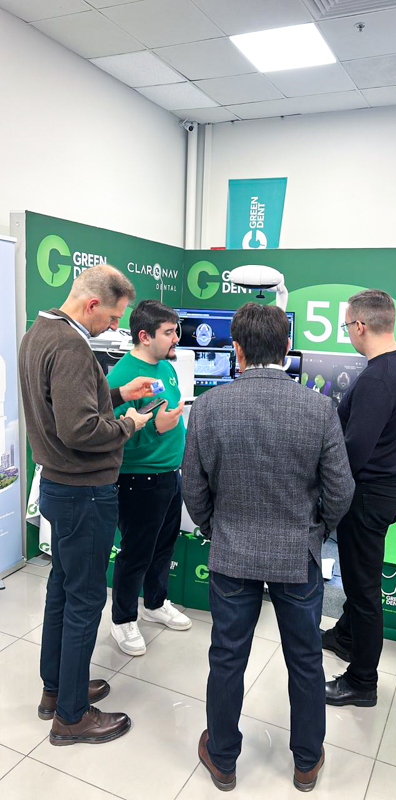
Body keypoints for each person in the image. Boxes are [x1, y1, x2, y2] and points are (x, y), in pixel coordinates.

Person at [182, 302, 355, 793]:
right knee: (305, 659)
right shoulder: (318, 408)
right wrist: (316, 530)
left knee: (227, 657)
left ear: (236, 350)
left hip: (231, 551)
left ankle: (222, 759)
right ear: (287, 347)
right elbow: (341, 490)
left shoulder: (209, 407)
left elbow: (192, 486)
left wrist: (214, 527)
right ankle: (306, 762)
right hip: (297, 554)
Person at [19, 265, 154, 746]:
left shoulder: (39, 333)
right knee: (85, 600)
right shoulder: (73, 346)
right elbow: (80, 429)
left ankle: (57, 689)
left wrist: (116, 394)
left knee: (62, 588)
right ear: (92, 303)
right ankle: (72, 718)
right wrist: (129, 423)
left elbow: (67, 403)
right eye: (113, 318)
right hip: (84, 492)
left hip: (59, 487)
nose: (114, 327)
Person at [323, 290, 396, 708]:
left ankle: (362, 681)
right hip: (391, 488)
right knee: (359, 575)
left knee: (364, 590)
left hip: (368, 496)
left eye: (347, 325)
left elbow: (353, 453)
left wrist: (323, 492)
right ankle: (346, 637)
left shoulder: (377, 379)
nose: (348, 332)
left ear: (361, 326)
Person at [107, 300, 191, 658]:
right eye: (169, 332)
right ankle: (123, 619)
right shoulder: (121, 378)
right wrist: (156, 428)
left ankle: (155, 603)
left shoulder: (166, 368)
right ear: (144, 336)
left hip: (170, 475)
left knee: (163, 547)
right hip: (138, 479)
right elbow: (112, 436)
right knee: (136, 553)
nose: (176, 338)